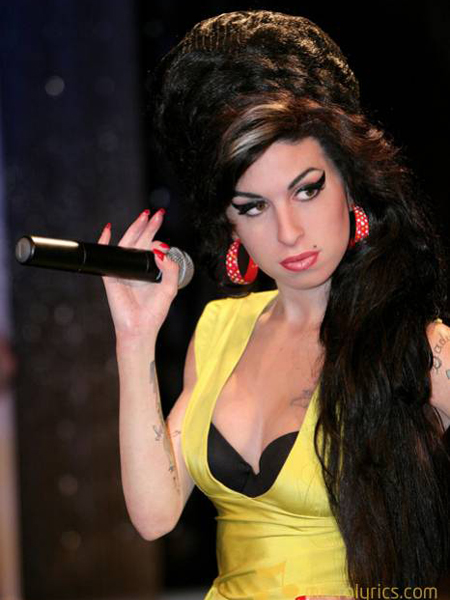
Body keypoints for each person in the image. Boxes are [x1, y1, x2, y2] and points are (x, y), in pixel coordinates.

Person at [98, 10, 450, 599]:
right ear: (231, 223)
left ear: (349, 182)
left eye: (307, 190)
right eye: (254, 206)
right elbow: (155, 515)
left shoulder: (420, 346)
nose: (288, 232)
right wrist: (134, 341)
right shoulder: (220, 328)